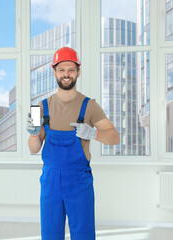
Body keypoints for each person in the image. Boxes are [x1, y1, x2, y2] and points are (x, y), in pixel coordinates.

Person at [27, 47, 120, 240]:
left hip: (79, 181)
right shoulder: (41, 107)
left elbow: (114, 137)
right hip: (51, 179)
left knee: (83, 235)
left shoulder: (90, 106)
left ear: (78, 71)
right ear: (54, 72)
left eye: (71, 69)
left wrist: (93, 133)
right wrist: (35, 134)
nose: (66, 74)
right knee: (51, 235)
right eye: (61, 70)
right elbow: (33, 149)